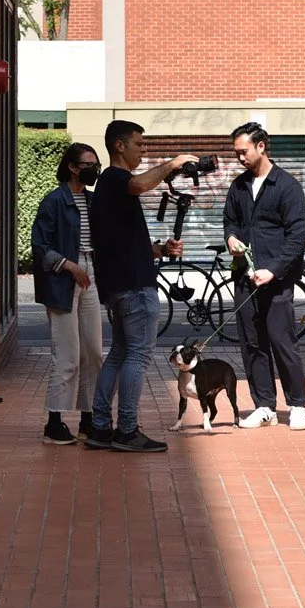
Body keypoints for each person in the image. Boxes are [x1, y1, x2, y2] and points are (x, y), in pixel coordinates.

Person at [85, 119, 193, 453]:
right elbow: (141, 184)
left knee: (118, 353)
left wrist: (159, 250)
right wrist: (173, 163)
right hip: (134, 286)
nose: (142, 151)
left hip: (119, 283)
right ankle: (127, 430)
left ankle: (100, 428)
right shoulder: (116, 179)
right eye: (139, 144)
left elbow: (121, 241)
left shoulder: (109, 186)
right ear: (119, 146)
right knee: (137, 356)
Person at [223, 121, 305, 430]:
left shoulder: (287, 186)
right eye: (236, 153)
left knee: (281, 340)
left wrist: (273, 270)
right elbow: (230, 221)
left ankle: (298, 405)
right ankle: (264, 406)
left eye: (243, 151)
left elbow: (297, 235)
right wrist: (231, 238)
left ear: (261, 146)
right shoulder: (239, 186)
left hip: (277, 281)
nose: (240, 158)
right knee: (252, 343)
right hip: (244, 279)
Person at [31, 142, 105, 445]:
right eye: (88, 164)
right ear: (73, 167)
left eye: (95, 163)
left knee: (94, 353)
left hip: (91, 275)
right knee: (68, 356)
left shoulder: (92, 200)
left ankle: (89, 418)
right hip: (63, 280)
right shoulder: (54, 201)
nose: (94, 168)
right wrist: (69, 266)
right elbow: (39, 246)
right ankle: (54, 422)